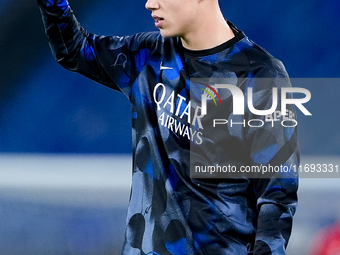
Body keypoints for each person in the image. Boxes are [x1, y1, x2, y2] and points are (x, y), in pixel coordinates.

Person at [37, 0, 299, 254]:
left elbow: (277, 196)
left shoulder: (260, 74)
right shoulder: (147, 55)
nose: (150, 3)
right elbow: (74, 49)